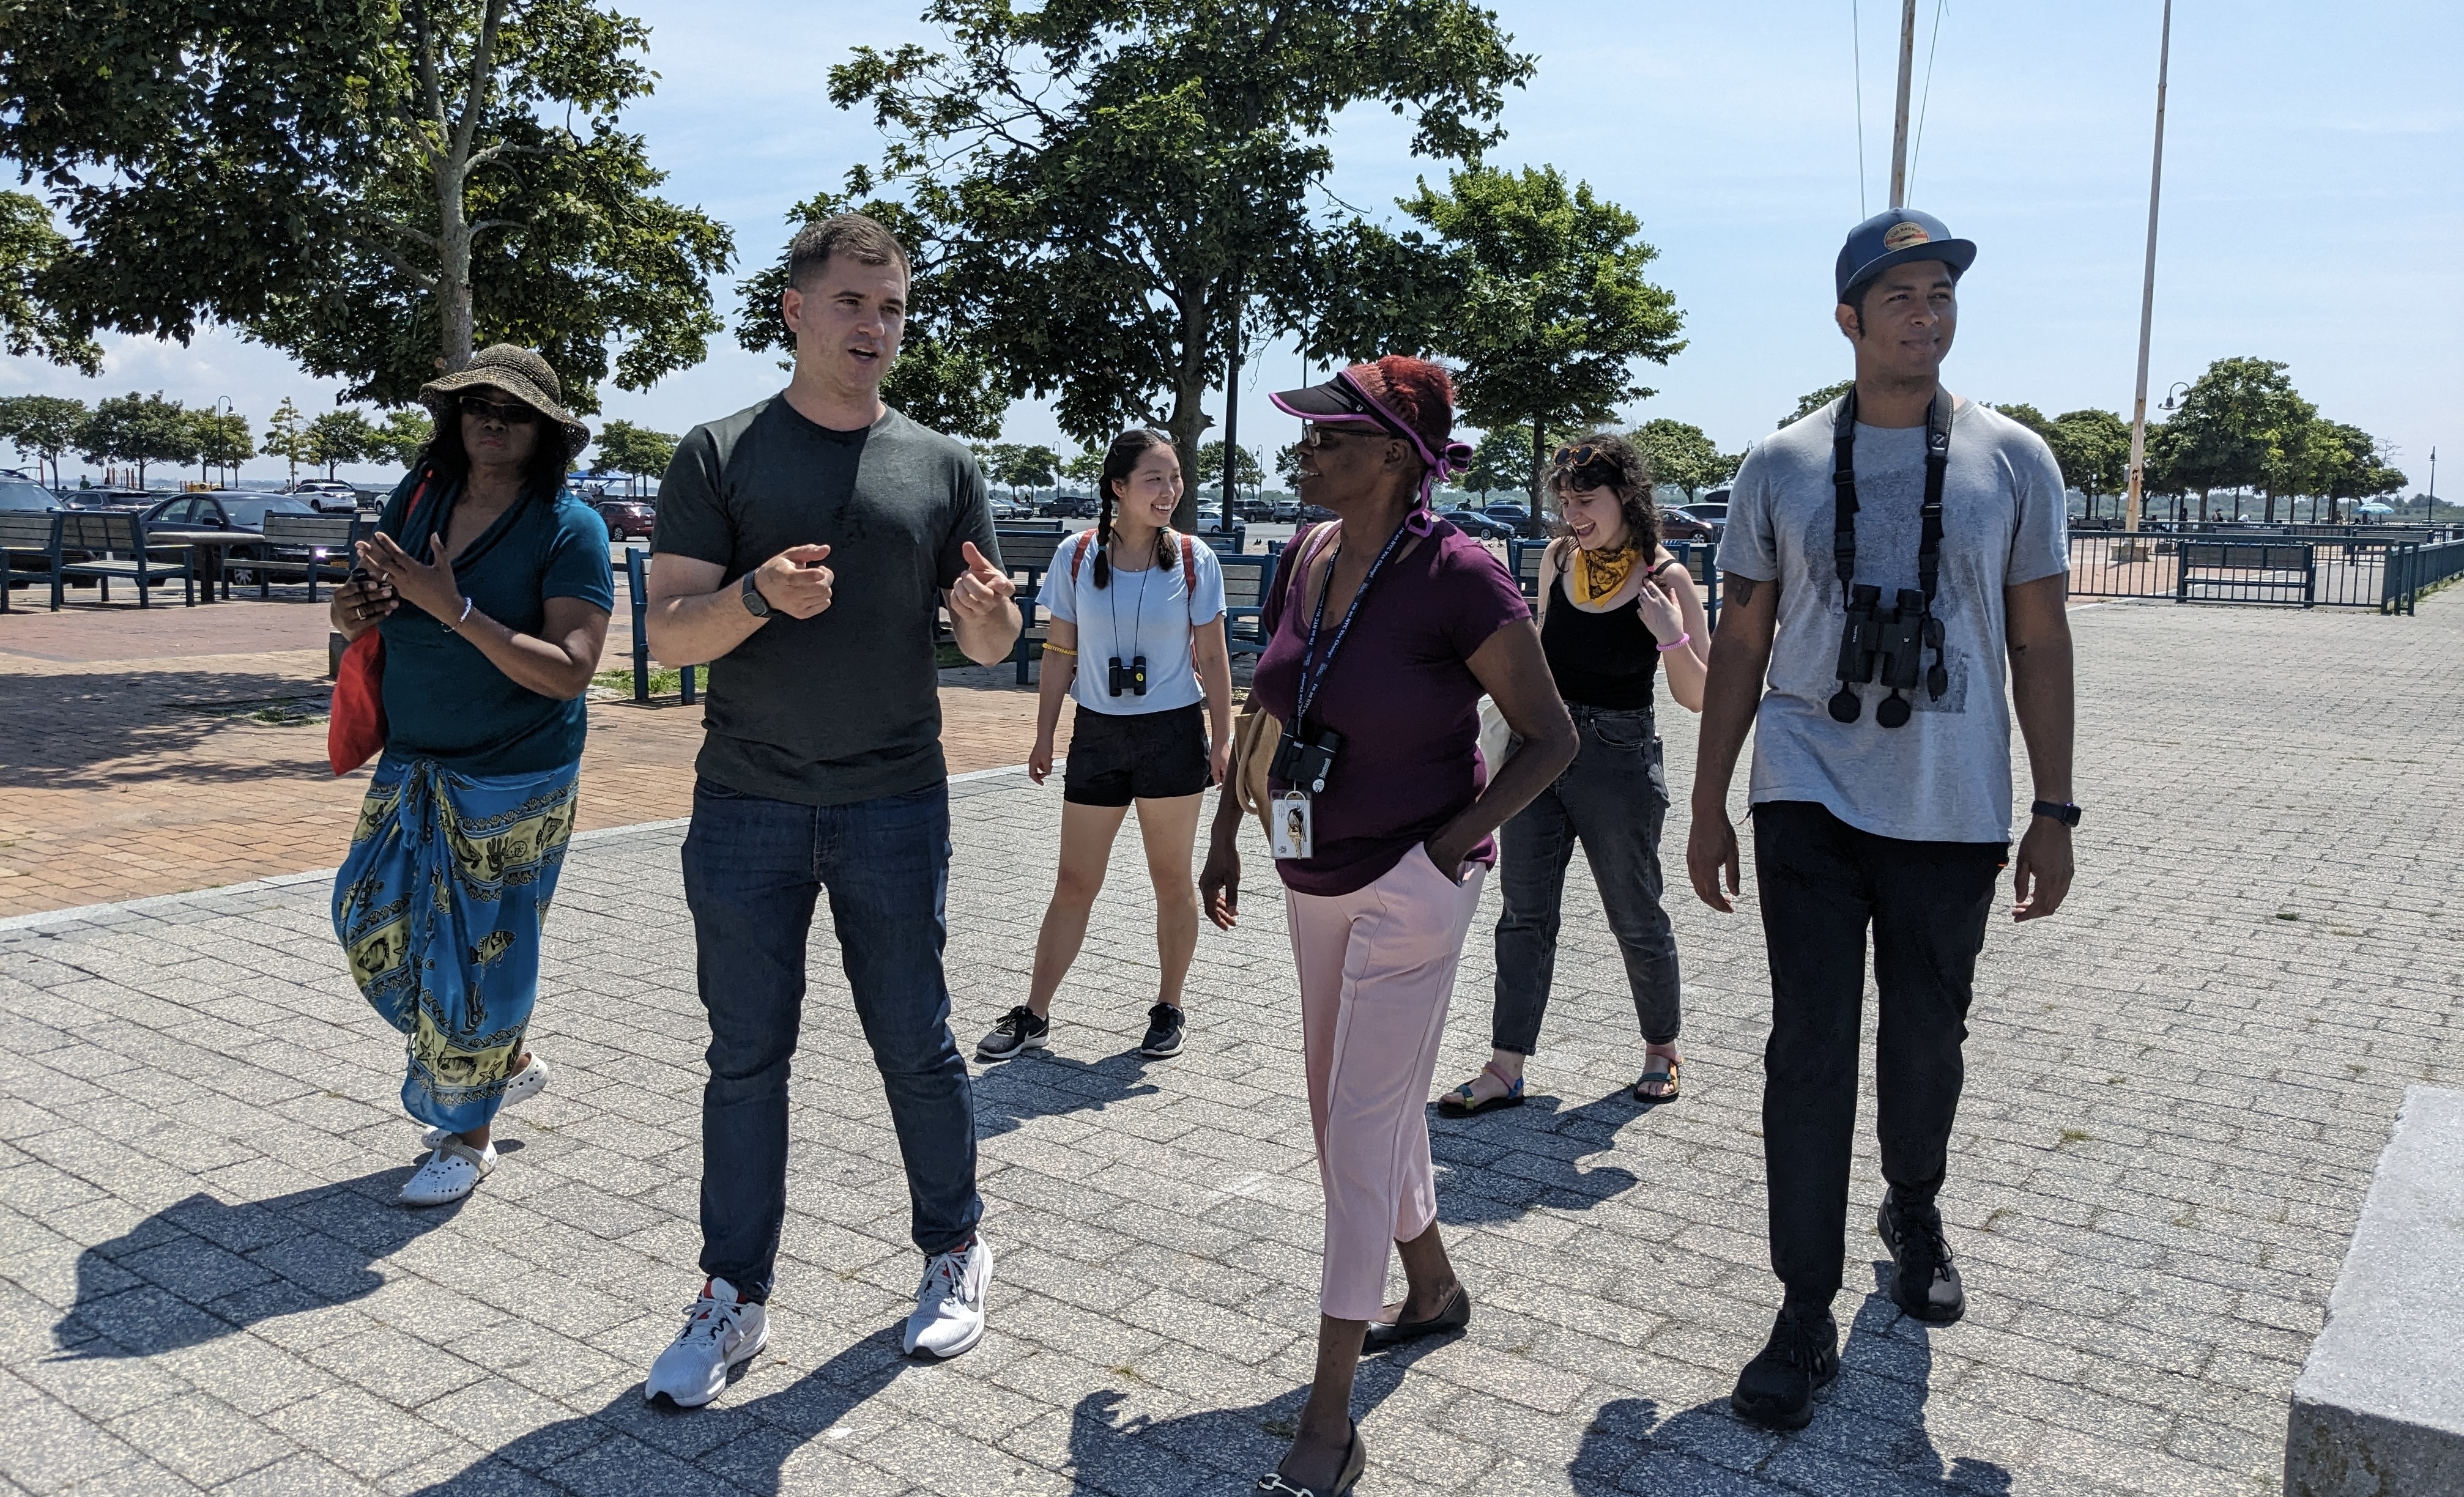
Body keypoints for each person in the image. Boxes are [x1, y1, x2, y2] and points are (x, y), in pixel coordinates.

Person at [1686, 209, 2076, 1430]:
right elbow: (1740, 638)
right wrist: (1707, 801)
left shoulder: (2015, 459)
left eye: (1940, 296)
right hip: (1805, 787)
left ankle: (1913, 1207)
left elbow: (2039, 638)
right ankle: (1802, 1313)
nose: (1926, 314)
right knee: (1806, 1047)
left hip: (1952, 804)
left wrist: (2054, 807)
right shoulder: (1782, 463)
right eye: (1900, 297)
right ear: (1848, 319)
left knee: (1925, 1040)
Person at [635, 212, 1022, 1406]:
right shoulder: (719, 453)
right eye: (853, 301)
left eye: (894, 306)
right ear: (794, 309)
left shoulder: (941, 464)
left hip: (893, 802)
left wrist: (988, 622)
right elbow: (668, 627)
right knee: (745, 1058)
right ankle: (731, 1298)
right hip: (747, 801)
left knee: (916, 1040)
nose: (876, 326)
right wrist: (757, 594)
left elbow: (996, 636)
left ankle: (955, 1248)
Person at [1199, 357, 1577, 1496]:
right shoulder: (1305, 555)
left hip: (1412, 886)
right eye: (1305, 433)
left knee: (1356, 1137)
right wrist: (1224, 825)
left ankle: (1329, 1420)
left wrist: (1450, 843)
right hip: (1308, 873)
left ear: (1396, 456)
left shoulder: (1455, 574)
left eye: (1329, 434)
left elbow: (1549, 735)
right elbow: (1270, 698)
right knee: (1342, 1116)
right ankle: (1433, 1288)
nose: (1304, 450)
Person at [327, 344, 612, 1208]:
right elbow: (361, 617)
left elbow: (570, 668)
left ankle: (467, 1132)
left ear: (546, 433)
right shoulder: (416, 503)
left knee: (476, 957)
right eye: (476, 404)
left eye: (514, 410)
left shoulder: (571, 527)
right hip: (417, 756)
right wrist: (348, 614)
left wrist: (454, 609)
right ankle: (503, 1060)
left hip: (514, 772)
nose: (492, 419)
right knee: (364, 917)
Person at [1444, 432, 1711, 1116]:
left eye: (1585, 501)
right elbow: (1535, 650)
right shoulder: (1558, 559)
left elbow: (1697, 694)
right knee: (1523, 914)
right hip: (1542, 749)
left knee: (1634, 914)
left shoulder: (1665, 577)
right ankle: (1506, 1066)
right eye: (1564, 502)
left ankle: (1661, 1050)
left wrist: (1670, 635)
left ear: (1625, 496)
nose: (1572, 516)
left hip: (1619, 757)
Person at [978, 429, 1232, 1064]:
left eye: (1174, 478)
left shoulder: (1195, 558)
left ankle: (1168, 1006)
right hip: (1096, 732)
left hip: (1172, 732)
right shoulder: (1074, 555)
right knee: (1073, 881)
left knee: (1170, 879)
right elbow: (1059, 650)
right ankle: (1034, 1014)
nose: (1169, 491)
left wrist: (1222, 738)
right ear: (1116, 488)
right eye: (1154, 479)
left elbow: (1213, 656)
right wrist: (1043, 733)